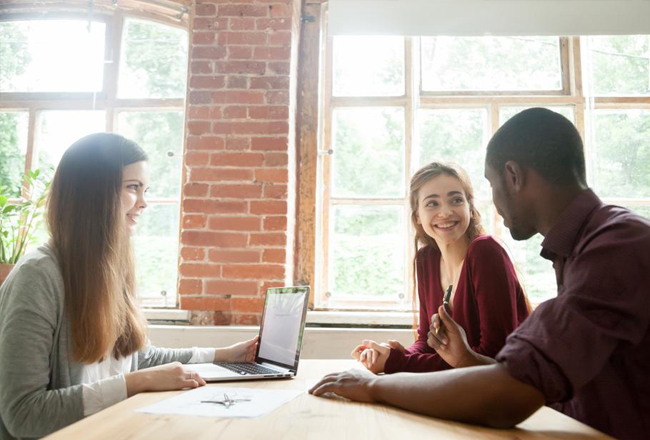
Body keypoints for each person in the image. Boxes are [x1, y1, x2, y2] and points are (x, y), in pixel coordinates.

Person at [309, 108, 650, 440]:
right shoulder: (585, 245)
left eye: (491, 184)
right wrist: (458, 360)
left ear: (513, 176)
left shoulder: (615, 246)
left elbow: (511, 392)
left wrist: (374, 385)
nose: (494, 202)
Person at [0, 133, 258, 440]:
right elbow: (24, 415)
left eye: (145, 189)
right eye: (133, 188)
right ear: (92, 194)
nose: (144, 203)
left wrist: (224, 354)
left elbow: (141, 359)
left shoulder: (109, 269)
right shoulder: (38, 276)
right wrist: (137, 382)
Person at [350, 162, 529, 374]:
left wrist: (396, 362)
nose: (445, 212)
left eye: (456, 200)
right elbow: (427, 342)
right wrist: (393, 353)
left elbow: (493, 357)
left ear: (470, 208)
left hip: (511, 392)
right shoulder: (426, 260)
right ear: (417, 215)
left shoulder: (486, 252)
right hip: (464, 390)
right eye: (432, 204)